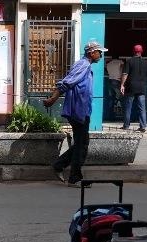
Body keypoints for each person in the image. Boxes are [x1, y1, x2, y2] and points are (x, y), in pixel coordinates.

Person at [43, 40, 108, 186]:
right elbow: (67, 82)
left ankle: (60, 165)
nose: (101, 55)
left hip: (82, 110)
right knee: (82, 145)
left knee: (81, 143)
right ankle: (74, 177)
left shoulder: (86, 65)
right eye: (99, 52)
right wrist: (54, 97)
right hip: (77, 110)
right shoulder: (83, 65)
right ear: (92, 53)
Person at [120, 44, 147, 132]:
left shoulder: (129, 61)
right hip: (141, 88)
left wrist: (122, 85)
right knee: (142, 108)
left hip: (130, 87)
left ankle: (126, 125)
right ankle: (143, 126)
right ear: (141, 52)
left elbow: (125, 74)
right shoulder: (146, 62)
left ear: (133, 51)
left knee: (128, 107)